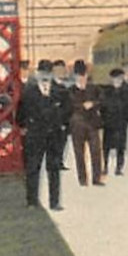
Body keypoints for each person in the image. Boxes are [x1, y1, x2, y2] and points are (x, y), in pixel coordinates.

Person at [17, 60, 68, 211]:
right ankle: (32, 201)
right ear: (38, 74)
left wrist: (62, 125)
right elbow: (20, 113)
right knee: (33, 168)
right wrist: (25, 126)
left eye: (48, 73)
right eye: (43, 73)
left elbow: (67, 110)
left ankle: (55, 202)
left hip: (54, 135)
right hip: (35, 135)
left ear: (51, 74)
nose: (45, 76)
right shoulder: (28, 92)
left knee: (54, 169)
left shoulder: (60, 91)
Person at [68, 60, 106, 186]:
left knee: (96, 152)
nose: (82, 79)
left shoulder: (94, 88)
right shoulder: (71, 91)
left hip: (92, 124)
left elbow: (102, 100)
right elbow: (69, 106)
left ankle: (96, 178)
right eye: (79, 76)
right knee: (79, 153)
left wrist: (93, 104)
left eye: (83, 76)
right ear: (75, 77)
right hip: (77, 125)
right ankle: (82, 179)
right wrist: (82, 106)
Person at [100, 66, 128, 176]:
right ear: (112, 79)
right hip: (109, 123)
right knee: (106, 147)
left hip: (121, 123)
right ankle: (105, 167)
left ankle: (118, 168)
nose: (117, 81)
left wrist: (127, 119)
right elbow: (102, 106)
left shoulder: (126, 91)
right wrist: (103, 119)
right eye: (115, 78)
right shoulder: (107, 91)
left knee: (120, 147)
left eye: (119, 78)